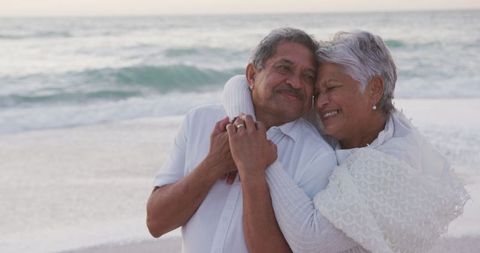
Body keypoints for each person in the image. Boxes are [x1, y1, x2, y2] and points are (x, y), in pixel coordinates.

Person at [222, 30, 469, 253]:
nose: (319, 103)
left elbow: (311, 241)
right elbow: (239, 84)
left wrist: (263, 160)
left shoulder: (396, 159)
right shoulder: (344, 120)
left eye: (331, 88)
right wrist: (243, 126)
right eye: (318, 92)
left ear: (374, 88)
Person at [146, 27, 348, 253]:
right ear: (252, 75)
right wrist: (214, 163)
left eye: (307, 76)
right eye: (284, 68)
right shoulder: (200, 121)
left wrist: (253, 170)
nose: (296, 82)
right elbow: (156, 223)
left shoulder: (317, 157)